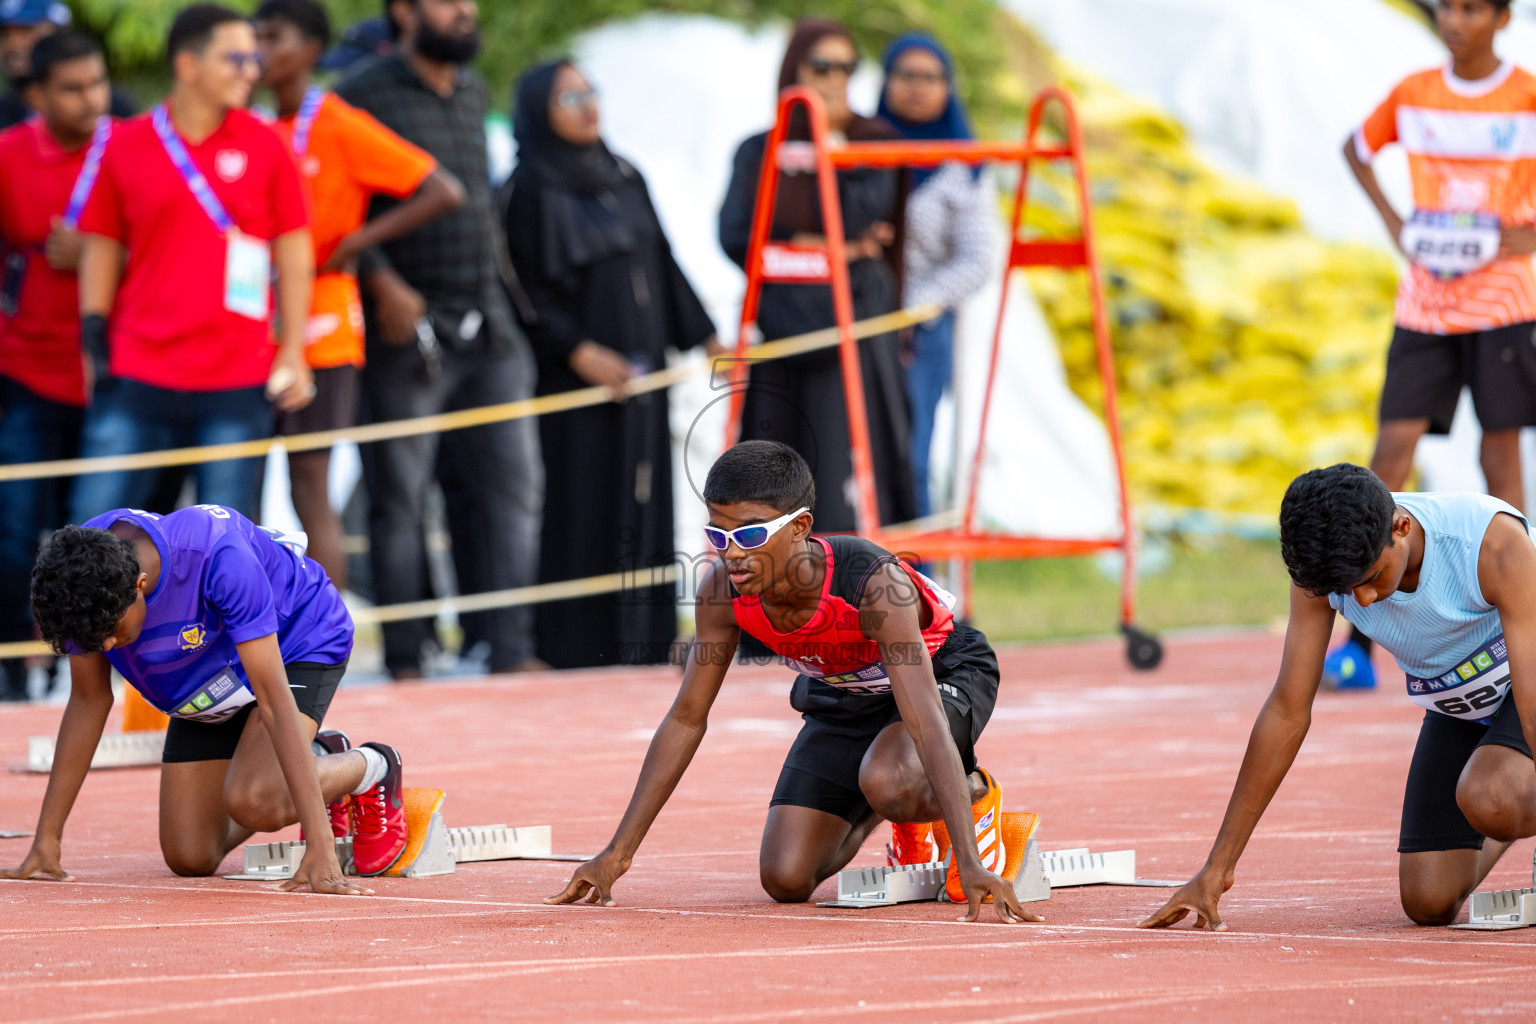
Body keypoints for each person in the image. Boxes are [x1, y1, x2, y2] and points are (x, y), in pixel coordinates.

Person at [547, 440, 1029, 921]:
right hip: (843, 692)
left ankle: (974, 795)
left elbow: (924, 721)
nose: (732, 553)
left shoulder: (874, 586)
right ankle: (902, 811)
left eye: (751, 535)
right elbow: (686, 718)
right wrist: (617, 854)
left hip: (942, 671)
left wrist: (970, 862)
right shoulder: (721, 591)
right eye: (718, 535)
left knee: (891, 781)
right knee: (786, 879)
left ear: (799, 527)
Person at [1142, 464, 1536, 930]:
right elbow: (1287, 711)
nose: (1364, 601)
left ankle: (1511, 789)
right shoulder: (1324, 572)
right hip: (1458, 703)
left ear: (1401, 527)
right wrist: (1218, 867)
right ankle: (1509, 789)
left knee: (1492, 796)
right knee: (1428, 900)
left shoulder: (1491, 545)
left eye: (1372, 577)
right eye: (1347, 590)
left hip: (1528, 682)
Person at [3, 504, 409, 888]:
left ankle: (371, 766)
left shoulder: (218, 555)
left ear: (139, 585)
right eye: (94, 642)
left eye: (111, 632)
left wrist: (320, 849)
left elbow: (271, 698)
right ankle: (319, 758)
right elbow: (89, 701)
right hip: (205, 680)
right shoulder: (80, 580)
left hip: (294, 646)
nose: (106, 647)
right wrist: (46, 841)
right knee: (190, 857)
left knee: (257, 801)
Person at [334, 0, 543, 679]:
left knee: (515, 487)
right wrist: (381, 283)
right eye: (447, 1)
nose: (465, 11)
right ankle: (406, 659)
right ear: (403, 10)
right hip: (408, 328)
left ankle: (509, 651)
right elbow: (342, 209)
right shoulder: (360, 95)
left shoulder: (476, 88)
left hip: (491, 323)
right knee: (400, 498)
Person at [1334, 0, 1536, 691]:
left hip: (1504, 302)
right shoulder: (1415, 92)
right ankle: (1359, 640)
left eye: (1472, 9)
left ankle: (1519, 622)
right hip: (1425, 304)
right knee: (1391, 454)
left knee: (1498, 453)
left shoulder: (1527, 96)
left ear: (1503, 19)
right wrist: (1396, 221)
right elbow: (1356, 149)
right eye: (1446, 7)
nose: (1455, 20)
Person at [504, 60, 724, 669]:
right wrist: (577, 351)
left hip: (643, 374)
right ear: (536, 112)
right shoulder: (526, 189)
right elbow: (519, 287)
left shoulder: (625, 174)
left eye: (589, 91)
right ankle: (574, 645)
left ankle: (647, 635)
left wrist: (705, 334)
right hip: (576, 383)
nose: (586, 105)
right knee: (583, 498)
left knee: (646, 496)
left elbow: (663, 260)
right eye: (567, 96)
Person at [70, 4, 315, 525]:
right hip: (136, 373)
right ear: (188, 65)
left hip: (236, 378)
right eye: (236, 58)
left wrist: (293, 348)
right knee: (98, 535)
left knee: (224, 547)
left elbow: (294, 249)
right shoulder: (126, 143)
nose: (252, 69)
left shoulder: (266, 144)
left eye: (254, 57)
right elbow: (101, 246)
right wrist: (92, 333)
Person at [254, 0, 465, 592]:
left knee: (310, 488)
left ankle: (325, 642)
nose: (260, 49)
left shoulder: (339, 122)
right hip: (250, 322)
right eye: (255, 36)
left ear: (312, 49)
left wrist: (351, 245)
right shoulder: (250, 125)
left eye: (275, 36)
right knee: (238, 492)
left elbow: (442, 189)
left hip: (322, 321)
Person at [718, 19, 914, 534]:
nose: (834, 78)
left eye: (846, 66)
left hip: (855, 328)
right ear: (794, 72)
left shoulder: (873, 141)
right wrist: (836, 248)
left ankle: (863, 596)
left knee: (847, 471)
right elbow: (737, 235)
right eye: (820, 66)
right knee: (771, 477)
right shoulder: (759, 149)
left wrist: (825, 153)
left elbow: (855, 213)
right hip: (783, 327)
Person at [0, 31, 110, 701]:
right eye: (73, 89)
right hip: (26, 374)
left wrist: (98, 252)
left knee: (99, 539)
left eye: (97, 83)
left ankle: (92, 675)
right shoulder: (9, 156)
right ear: (36, 95)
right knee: (14, 534)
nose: (92, 99)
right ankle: (14, 665)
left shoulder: (129, 148)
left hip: (114, 381)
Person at [877, 35, 995, 520]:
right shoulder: (862, 150)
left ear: (948, 87)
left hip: (919, 333)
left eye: (931, 77)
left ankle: (909, 584)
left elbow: (978, 258)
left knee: (909, 457)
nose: (917, 87)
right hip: (855, 318)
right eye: (906, 75)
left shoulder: (962, 164)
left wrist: (912, 308)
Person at [0, 0, 134, 132]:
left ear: (61, 33)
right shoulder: (4, 116)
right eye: (4, 34)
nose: (13, 44)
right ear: (37, 95)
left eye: (26, 30)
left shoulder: (116, 110)